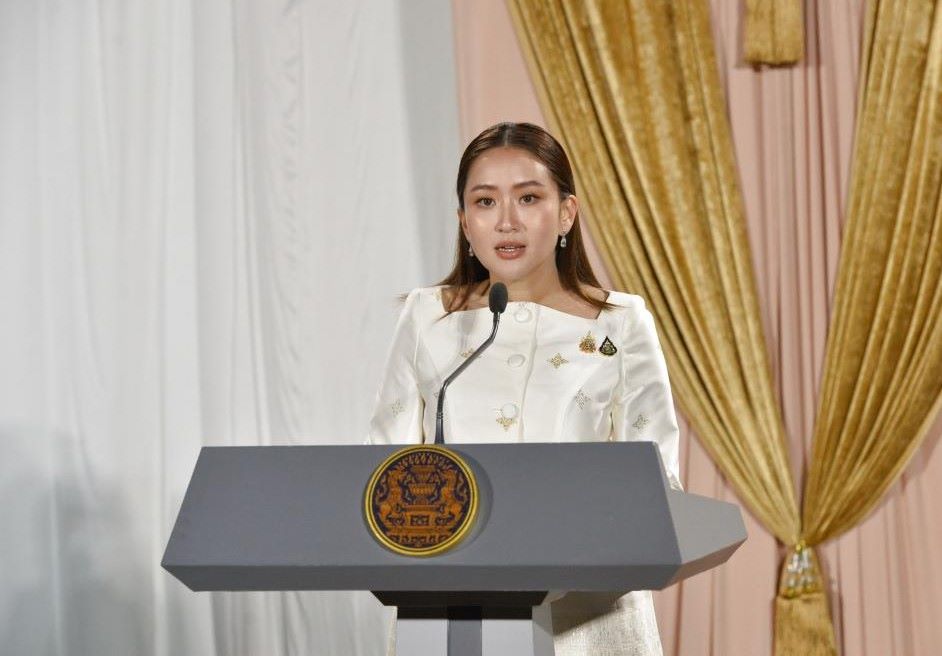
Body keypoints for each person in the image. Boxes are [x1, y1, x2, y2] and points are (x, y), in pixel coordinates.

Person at [366, 122, 682, 655]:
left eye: (529, 198)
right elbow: (384, 469)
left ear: (565, 213)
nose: (506, 222)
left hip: (587, 617)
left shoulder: (621, 324)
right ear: (465, 222)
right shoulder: (427, 317)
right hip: (448, 611)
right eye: (485, 202)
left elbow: (658, 481)